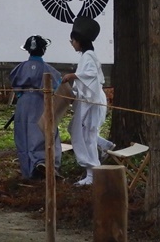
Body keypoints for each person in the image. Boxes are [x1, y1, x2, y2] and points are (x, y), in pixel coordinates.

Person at [62, 16, 114, 187]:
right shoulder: (87, 56)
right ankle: (105, 146)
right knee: (79, 131)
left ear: (79, 41)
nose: (72, 44)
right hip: (88, 100)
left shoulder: (89, 56)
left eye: (73, 40)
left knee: (87, 135)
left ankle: (92, 172)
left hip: (92, 102)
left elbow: (91, 76)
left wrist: (73, 76)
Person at [10, 35, 63, 180]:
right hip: (41, 102)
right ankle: (43, 163)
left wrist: (23, 95)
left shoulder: (20, 68)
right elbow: (57, 87)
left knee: (23, 135)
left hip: (23, 104)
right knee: (43, 132)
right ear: (44, 50)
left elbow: (15, 86)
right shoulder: (49, 69)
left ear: (28, 50)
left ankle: (28, 171)